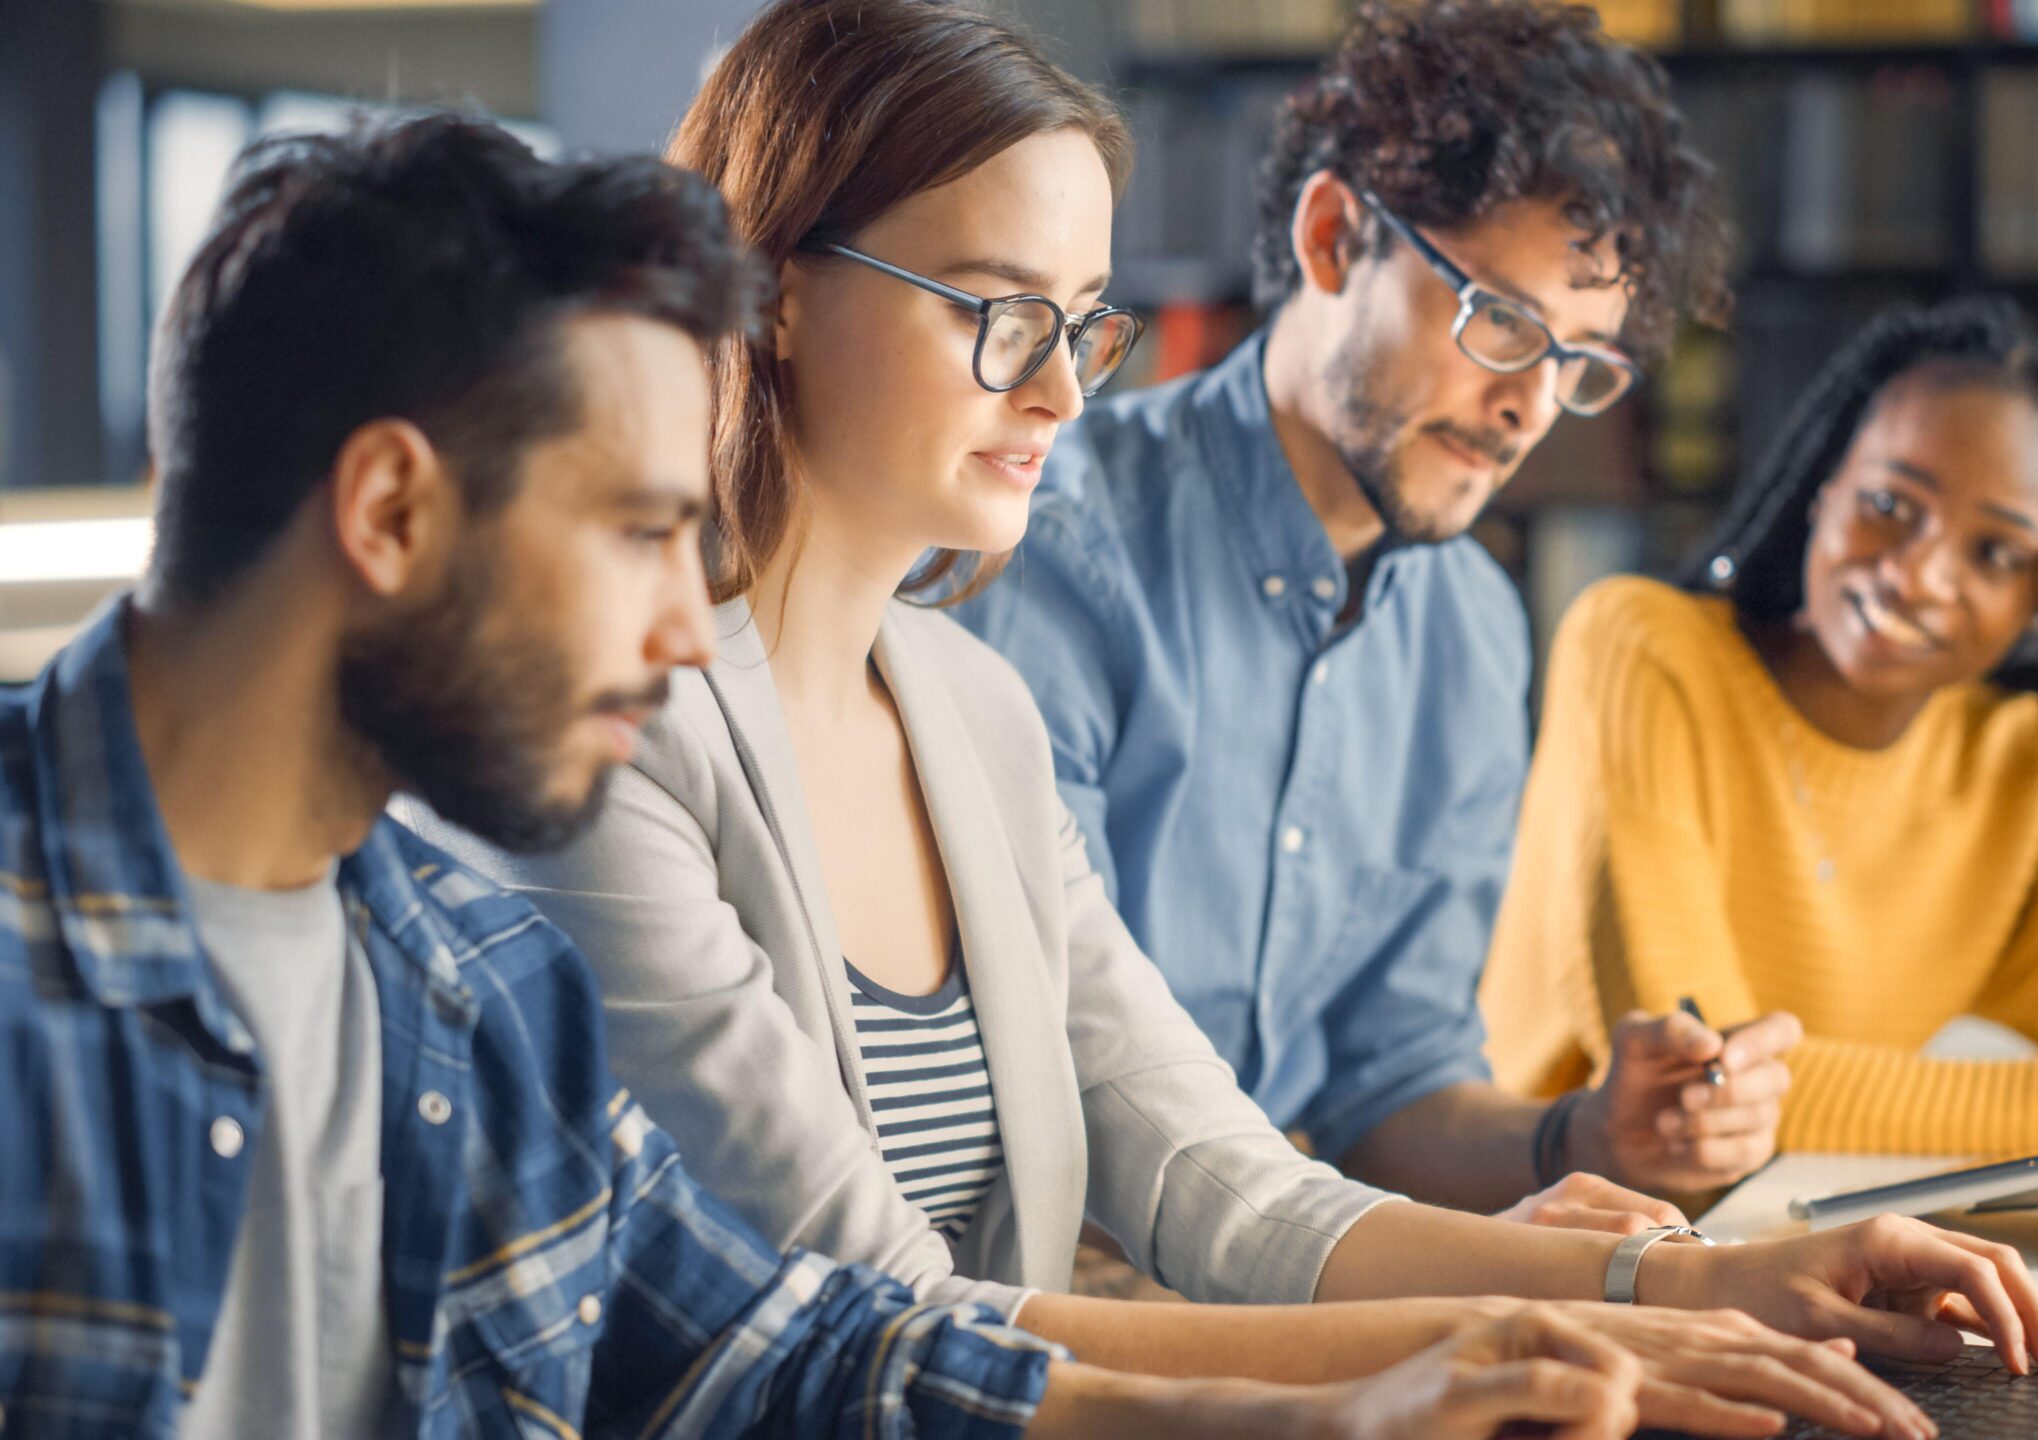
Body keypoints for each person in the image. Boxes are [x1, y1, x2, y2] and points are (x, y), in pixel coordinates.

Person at [416, 4, 2038, 1436]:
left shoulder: (964, 709)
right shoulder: (606, 735)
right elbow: (884, 1326)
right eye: (996, 309)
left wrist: (1724, 1277)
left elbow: (1225, 1178)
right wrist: (1472, 1352)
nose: (1060, 388)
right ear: (772, 289)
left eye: (1081, 323)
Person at [0, 109, 1731, 1440]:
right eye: (639, 534)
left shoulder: (463, 979)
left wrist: (1360, 1405)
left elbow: (801, 1347)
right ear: (388, 512)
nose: (692, 627)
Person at [947, 0, 1795, 1222]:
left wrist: (1589, 1132)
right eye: (1502, 323)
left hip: (1282, 1275)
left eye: (1579, 364)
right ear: (1335, 237)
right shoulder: (1045, 551)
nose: (1530, 410)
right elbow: (1048, 1089)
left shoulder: (1474, 629)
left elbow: (1388, 1091)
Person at [1480, 297, 2038, 1159]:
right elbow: (1703, 1082)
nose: (1917, 575)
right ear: (1824, 489)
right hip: (1535, 1228)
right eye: (1888, 505)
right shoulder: (1644, 650)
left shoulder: (2016, 772)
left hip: (1785, 1240)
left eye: (1995, 552)